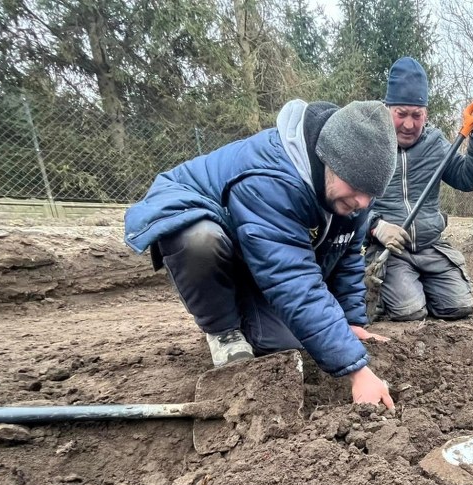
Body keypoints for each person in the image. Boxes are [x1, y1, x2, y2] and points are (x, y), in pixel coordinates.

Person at [124, 100, 397, 408]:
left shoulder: (356, 194)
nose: (363, 202)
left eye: (372, 193)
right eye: (358, 188)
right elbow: (293, 280)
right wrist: (358, 372)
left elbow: (347, 255)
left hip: (262, 251)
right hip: (207, 231)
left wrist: (350, 321)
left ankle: (248, 311)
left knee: (284, 346)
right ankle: (223, 329)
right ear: (329, 162)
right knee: (199, 239)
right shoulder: (272, 179)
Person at [367, 57, 473, 321]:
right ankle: (399, 292)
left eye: (416, 115)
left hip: (431, 247)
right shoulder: (369, 144)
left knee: (459, 307)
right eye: (401, 114)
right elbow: (345, 205)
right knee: (410, 312)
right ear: (387, 108)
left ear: (425, 114)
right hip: (392, 252)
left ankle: (422, 286)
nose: (408, 124)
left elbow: (468, 179)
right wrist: (376, 226)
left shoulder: (435, 143)